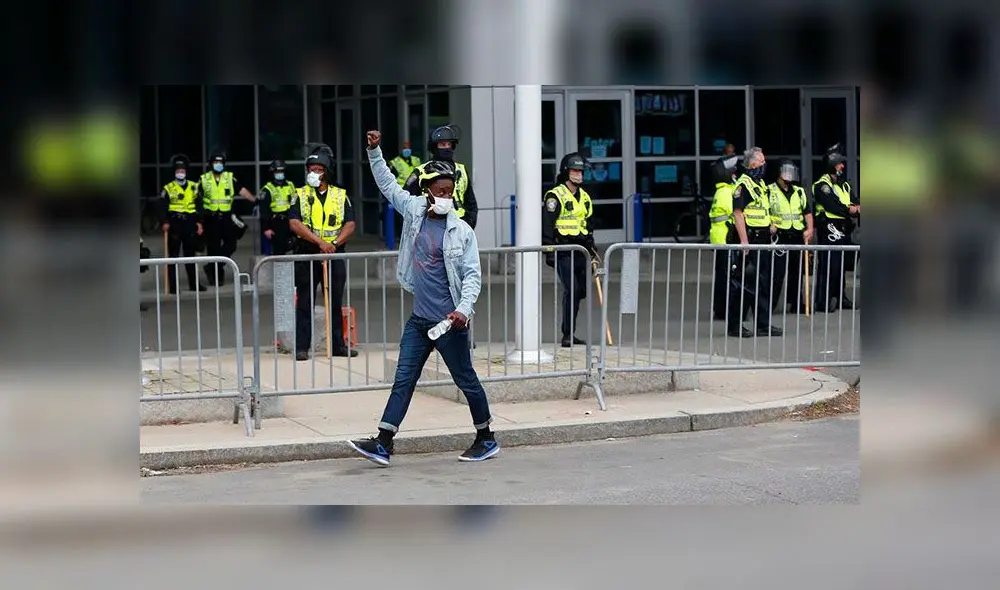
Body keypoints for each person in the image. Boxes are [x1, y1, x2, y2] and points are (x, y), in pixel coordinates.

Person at [347, 129, 497, 466]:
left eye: (450, 191)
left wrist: (463, 309)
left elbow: (473, 276)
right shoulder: (414, 210)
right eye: (441, 190)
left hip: (449, 323)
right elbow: (387, 185)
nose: (447, 196)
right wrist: (374, 151)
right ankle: (383, 442)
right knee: (403, 379)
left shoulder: (463, 231)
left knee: (465, 380)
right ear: (427, 191)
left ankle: (486, 437)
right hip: (419, 321)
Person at [287, 144, 359, 360]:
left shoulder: (340, 195)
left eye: (318, 169)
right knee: (305, 302)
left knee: (335, 301)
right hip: (307, 254)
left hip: (333, 254)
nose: (314, 173)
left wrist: (334, 244)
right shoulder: (299, 194)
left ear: (327, 171)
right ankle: (302, 347)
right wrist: (320, 242)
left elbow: (350, 224)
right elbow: (295, 223)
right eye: (311, 169)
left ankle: (338, 345)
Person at [542, 152, 597, 347]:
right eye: (575, 170)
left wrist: (592, 251)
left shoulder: (585, 197)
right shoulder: (555, 195)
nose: (579, 174)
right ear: (566, 172)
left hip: (581, 250)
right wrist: (548, 251)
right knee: (571, 290)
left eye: (581, 171)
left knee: (581, 291)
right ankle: (567, 334)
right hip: (563, 249)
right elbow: (547, 225)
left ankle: (570, 332)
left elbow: (588, 225)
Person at [731, 147, 783, 337]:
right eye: (762, 161)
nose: (764, 164)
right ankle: (735, 326)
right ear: (753, 163)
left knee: (762, 284)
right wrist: (745, 243)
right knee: (743, 285)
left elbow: (760, 210)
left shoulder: (760, 185)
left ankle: (762, 324)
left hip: (763, 239)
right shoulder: (743, 185)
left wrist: (770, 224)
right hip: (750, 241)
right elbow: (738, 214)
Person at [403, 124, 479, 229]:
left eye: (449, 144)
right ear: (434, 147)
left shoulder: (461, 169)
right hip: (431, 226)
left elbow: (471, 203)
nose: (447, 148)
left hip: (459, 225)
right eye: (442, 145)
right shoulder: (422, 171)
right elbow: (406, 200)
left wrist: (468, 225)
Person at [198, 151, 256, 286]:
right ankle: (216, 277)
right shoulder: (204, 179)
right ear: (211, 164)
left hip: (226, 217)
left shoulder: (229, 177)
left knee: (231, 244)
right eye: (215, 162)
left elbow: (241, 190)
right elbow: (195, 196)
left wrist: (254, 200)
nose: (218, 165)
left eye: (220, 163)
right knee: (213, 248)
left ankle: (211, 267)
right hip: (210, 218)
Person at [812, 144, 859, 312]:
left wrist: (857, 207)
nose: (843, 166)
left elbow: (854, 200)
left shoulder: (843, 184)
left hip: (844, 228)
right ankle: (823, 301)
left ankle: (840, 297)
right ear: (832, 164)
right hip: (830, 228)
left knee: (842, 265)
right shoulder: (821, 185)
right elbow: (832, 205)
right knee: (829, 264)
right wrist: (849, 209)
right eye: (840, 163)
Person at [767, 159, 814, 313]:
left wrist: (810, 229)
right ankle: (769, 304)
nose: (789, 174)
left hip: (797, 235)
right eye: (786, 171)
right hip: (780, 235)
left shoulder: (799, 191)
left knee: (797, 272)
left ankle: (795, 303)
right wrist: (770, 224)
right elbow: (765, 211)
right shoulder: (770, 190)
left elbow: (807, 213)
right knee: (777, 273)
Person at [158, 154, 206, 294]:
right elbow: (162, 207)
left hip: (190, 222)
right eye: (178, 171)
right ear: (174, 173)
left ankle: (194, 284)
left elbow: (200, 205)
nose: (181, 173)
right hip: (174, 222)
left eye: (183, 171)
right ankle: (172, 287)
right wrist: (165, 222)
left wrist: (199, 222)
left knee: (190, 255)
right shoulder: (168, 188)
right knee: (173, 256)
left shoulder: (193, 186)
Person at [708, 155, 739, 320]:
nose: (736, 175)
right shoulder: (727, 192)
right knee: (726, 277)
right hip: (726, 239)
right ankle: (723, 310)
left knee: (723, 276)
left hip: (721, 239)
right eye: (733, 173)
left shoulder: (721, 190)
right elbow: (737, 213)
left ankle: (721, 309)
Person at [258, 159, 297, 255]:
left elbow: (296, 201)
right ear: (273, 173)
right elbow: (264, 210)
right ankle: (279, 270)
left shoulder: (290, 185)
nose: (280, 174)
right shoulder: (267, 189)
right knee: (279, 250)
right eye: (277, 172)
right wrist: (266, 228)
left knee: (295, 245)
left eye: (281, 171)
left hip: (290, 220)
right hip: (276, 222)